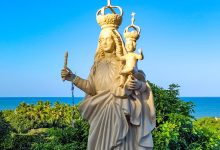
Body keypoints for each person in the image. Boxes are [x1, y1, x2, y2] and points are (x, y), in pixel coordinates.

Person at [61, 3, 156, 149]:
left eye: (108, 39)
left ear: (116, 40)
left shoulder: (124, 62)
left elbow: (142, 84)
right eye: (102, 40)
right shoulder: (96, 66)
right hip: (99, 112)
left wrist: (137, 85)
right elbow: (91, 89)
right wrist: (72, 77)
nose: (104, 42)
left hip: (118, 111)